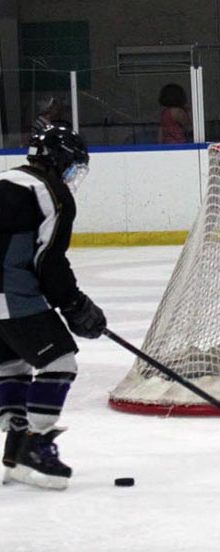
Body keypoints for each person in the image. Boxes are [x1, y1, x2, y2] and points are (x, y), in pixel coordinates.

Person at [0, 123, 106, 490]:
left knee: (13, 362)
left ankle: (14, 449)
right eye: (73, 166)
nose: (72, 175)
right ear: (60, 162)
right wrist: (74, 304)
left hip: (7, 299)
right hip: (11, 297)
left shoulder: (7, 179)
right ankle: (36, 446)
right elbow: (49, 262)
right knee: (59, 361)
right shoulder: (52, 193)